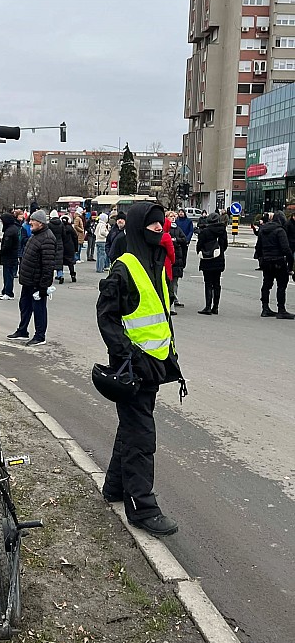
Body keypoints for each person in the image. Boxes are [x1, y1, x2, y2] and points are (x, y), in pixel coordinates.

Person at [96, 202, 184, 537]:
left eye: (162, 225)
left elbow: (159, 317)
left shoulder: (155, 264)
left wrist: (167, 359)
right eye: (152, 227)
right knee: (141, 436)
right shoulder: (125, 267)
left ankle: (115, 488)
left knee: (132, 430)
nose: (159, 231)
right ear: (136, 228)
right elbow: (106, 316)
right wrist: (126, 354)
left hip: (153, 367)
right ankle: (142, 508)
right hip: (133, 368)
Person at [6, 209, 56, 347]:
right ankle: (22, 331)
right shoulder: (36, 235)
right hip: (28, 281)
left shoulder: (47, 238)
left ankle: (40, 336)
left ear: (40, 223)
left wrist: (43, 287)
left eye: (33, 220)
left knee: (39, 309)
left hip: (37, 282)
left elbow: (48, 266)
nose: (30, 222)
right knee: (24, 306)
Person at [255, 211, 294, 319]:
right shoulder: (280, 231)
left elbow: (258, 247)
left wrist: (261, 259)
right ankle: (281, 310)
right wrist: (290, 263)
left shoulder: (263, 230)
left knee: (266, 284)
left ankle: (265, 308)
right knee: (282, 285)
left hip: (266, 261)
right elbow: (286, 249)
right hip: (278, 260)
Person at [195, 212, 228, 315]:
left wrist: (203, 252)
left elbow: (199, 245)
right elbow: (225, 245)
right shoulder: (223, 231)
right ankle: (216, 307)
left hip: (207, 260)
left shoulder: (205, 231)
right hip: (219, 259)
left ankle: (208, 307)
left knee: (208, 283)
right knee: (217, 283)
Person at [167, 212, 188, 308]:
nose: (173, 218)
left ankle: (175, 298)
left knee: (175, 281)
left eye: (174, 216)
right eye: (171, 216)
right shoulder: (165, 229)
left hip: (177, 257)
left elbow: (184, 239)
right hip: (169, 258)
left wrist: (176, 240)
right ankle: (170, 299)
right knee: (169, 281)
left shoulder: (177, 228)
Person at [0, 211, 20, 300]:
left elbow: (7, 246)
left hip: (9, 256)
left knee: (8, 274)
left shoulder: (9, 231)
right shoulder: (13, 229)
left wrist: (1, 252)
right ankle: (5, 290)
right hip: (12, 255)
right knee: (7, 274)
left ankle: (9, 293)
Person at [161, 217, 177, 314]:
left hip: (154, 264)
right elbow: (171, 253)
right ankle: (169, 306)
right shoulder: (166, 236)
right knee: (168, 286)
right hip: (166, 264)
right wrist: (173, 261)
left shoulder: (151, 235)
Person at [48, 210, 66, 283]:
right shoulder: (61, 224)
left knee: (51, 261)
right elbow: (64, 234)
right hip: (60, 243)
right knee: (59, 261)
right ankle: (60, 275)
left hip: (51, 243)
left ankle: (50, 277)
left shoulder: (49, 224)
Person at [61, 215, 79, 282]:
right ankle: (72, 275)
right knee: (70, 262)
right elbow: (75, 237)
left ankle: (61, 276)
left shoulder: (61, 228)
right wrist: (76, 248)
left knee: (61, 262)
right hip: (70, 247)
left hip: (62, 247)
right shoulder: (71, 228)